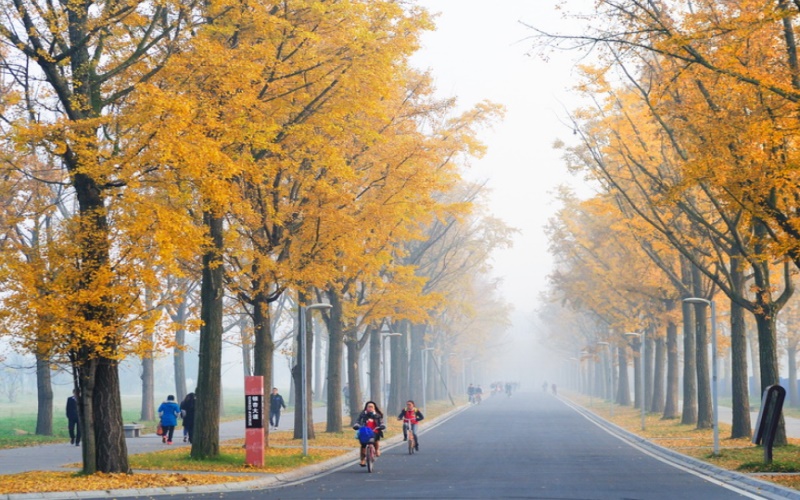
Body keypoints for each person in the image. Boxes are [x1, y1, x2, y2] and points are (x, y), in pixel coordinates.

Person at [353, 400, 385, 467]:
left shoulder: (377, 415)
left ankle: (377, 449)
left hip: (374, 431)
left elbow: (381, 422)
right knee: (363, 445)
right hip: (365, 432)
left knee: (375, 439)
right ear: (366, 407)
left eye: (371, 407)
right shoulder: (363, 414)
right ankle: (362, 459)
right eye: (369, 407)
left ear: (374, 408)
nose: (370, 408)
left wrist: (381, 426)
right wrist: (356, 425)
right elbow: (358, 421)